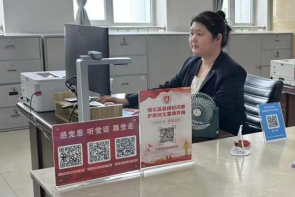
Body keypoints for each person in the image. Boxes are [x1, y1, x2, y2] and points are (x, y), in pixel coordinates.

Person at [99, 10, 247, 135]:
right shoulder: (192, 63)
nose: (193, 39)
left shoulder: (232, 72)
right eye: (191, 33)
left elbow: (213, 112)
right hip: (192, 132)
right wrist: (128, 100)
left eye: (200, 34)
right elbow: (168, 89)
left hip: (223, 138)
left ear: (218, 38)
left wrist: (164, 114)